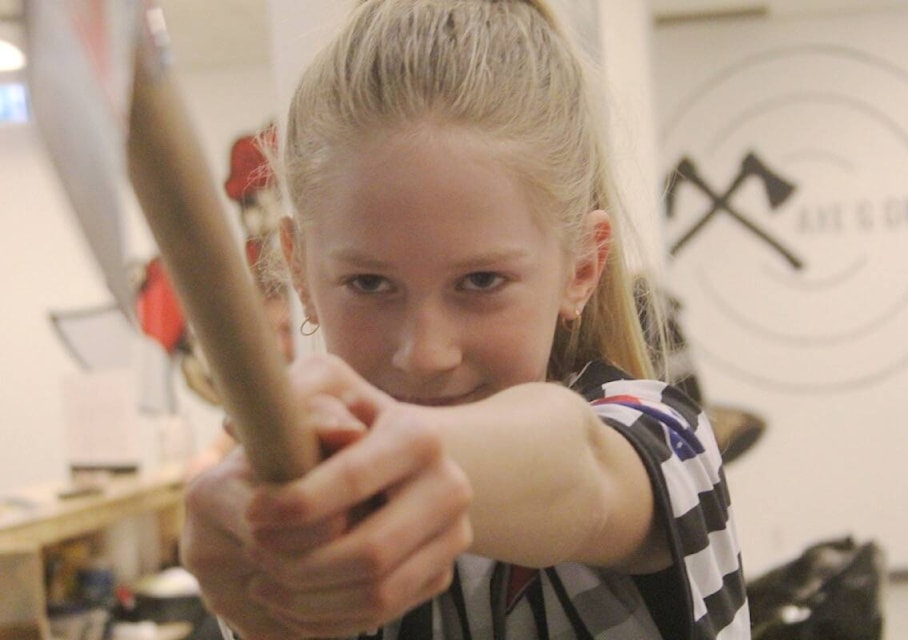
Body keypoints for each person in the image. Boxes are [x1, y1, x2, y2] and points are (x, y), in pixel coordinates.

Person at [179, 1, 748, 638]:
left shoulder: (668, 439)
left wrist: (361, 462)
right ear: (300, 270)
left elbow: (577, 466)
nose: (425, 353)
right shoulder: (309, 535)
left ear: (582, 267)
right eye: (368, 283)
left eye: (481, 282)